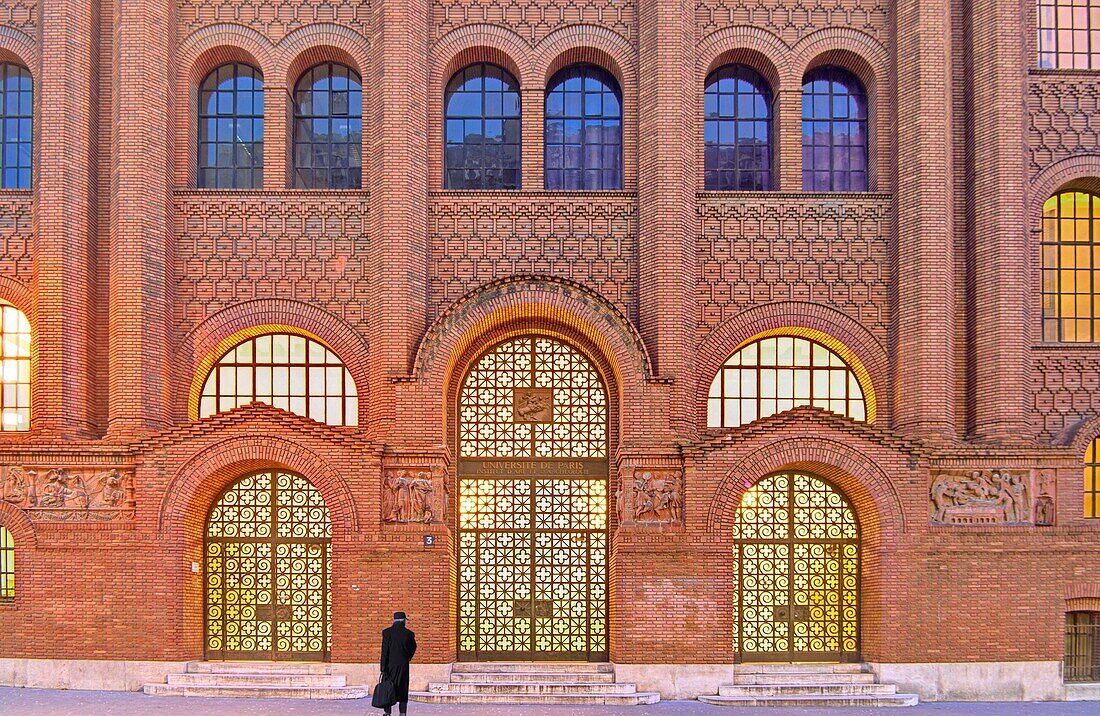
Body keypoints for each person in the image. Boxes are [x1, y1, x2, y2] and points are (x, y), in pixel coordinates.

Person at [380, 611, 417, 716]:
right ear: (404, 621)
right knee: (403, 690)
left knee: (388, 690)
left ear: (394, 620)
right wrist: (407, 658)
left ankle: (387, 713)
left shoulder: (387, 632)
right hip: (403, 667)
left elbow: (384, 652)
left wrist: (382, 668)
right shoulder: (409, 634)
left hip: (389, 667)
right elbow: (413, 648)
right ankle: (402, 713)